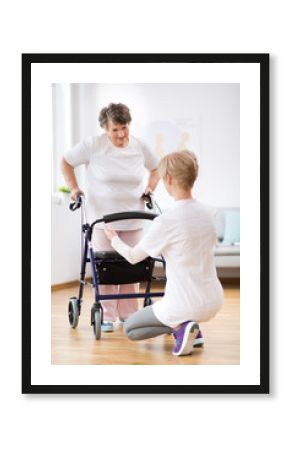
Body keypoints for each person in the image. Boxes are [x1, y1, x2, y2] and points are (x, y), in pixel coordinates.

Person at [104, 150, 224, 356]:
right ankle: (194, 331)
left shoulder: (166, 221)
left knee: (130, 329)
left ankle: (182, 327)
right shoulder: (211, 213)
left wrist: (114, 239)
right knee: (171, 308)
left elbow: (133, 257)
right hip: (214, 300)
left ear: (168, 179)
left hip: (183, 304)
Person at [61, 103, 160, 332]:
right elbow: (65, 161)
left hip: (134, 218)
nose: (121, 134)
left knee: (131, 266)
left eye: (124, 127)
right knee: (105, 268)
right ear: (106, 128)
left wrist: (150, 188)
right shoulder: (93, 145)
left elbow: (157, 168)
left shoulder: (139, 146)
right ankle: (106, 315)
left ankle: (129, 314)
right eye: (115, 129)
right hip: (102, 220)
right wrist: (74, 189)